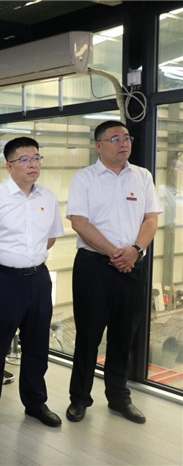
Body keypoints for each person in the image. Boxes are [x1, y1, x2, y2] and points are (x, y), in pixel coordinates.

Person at [65, 120, 161, 424]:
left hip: (133, 265)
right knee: (88, 335)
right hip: (94, 266)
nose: (124, 143)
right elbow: (79, 222)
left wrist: (135, 250)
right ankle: (79, 398)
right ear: (99, 146)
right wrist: (113, 252)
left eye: (127, 138)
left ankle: (119, 397)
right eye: (116, 139)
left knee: (124, 335)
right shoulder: (85, 178)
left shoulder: (142, 176)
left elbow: (151, 219)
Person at [0, 137, 64, 433]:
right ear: (9, 166)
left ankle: (35, 403)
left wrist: (28, 258)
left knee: (37, 345)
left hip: (38, 279)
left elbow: (51, 237)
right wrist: (1, 263)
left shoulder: (47, 197)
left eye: (36, 158)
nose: (33, 164)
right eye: (25, 159)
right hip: (3, 280)